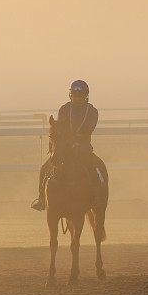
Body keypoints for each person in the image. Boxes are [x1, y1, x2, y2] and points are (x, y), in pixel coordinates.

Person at [30, 80, 102, 211]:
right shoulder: (64, 109)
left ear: (86, 95)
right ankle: (41, 199)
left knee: (95, 168)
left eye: (81, 94)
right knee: (45, 168)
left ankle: (98, 196)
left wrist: (77, 142)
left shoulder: (92, 111)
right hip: (65, 148)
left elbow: (88, 129)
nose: (78, 97)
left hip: (84, 148)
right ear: (70, 94)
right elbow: (60, 128)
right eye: (75, 94)